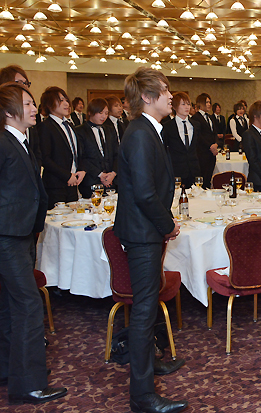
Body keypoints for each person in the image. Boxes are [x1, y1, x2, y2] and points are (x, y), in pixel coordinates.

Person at [0, 82, 66, 405]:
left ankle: (8, 371)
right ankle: (28, 385)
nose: (35, 109)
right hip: (5, 236)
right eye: (28, 104)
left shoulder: (22, 142)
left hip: (21, 234)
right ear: (9, 112)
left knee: (11, 304)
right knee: (29, 304)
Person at [113, 68, 187, 413]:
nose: (171, 96)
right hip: (143, 233)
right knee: (143, 310)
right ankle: (142, 396)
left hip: (146, 230)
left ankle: (151, 363)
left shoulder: (149, 130)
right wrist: (167, 224)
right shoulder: (141, 134)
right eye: (165, 90)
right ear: (146, 97)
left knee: (149, 302)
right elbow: (144, 193)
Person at [38, 87, 85, 209]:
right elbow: (45, 158)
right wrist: (67, 176)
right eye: (61, 100)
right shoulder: (45, 127)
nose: (66, 104)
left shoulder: (69, 125)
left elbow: (77, 152)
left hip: (73, 184)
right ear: (49, 104)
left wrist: (81, 170)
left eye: (66, 100)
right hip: (56, 186)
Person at [74, 98, 117, 198]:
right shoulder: (80, 131)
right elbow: (82, 157)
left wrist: (113, 173)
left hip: (111, 182)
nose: (104, 116)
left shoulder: (110, 130)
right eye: (100, 113)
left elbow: (117, 153)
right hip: (91, 181)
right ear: (90, 112)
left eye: (106, 113)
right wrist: (100, 174)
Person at [164, 92, 202, 188]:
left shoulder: (196, 125)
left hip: (194, 170)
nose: (187, 107)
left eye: (188, 104)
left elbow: (197, 147)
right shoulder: (167, 126)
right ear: (175, 107)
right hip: (176, 171)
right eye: (183, 104)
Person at [191, 93, 218, 187]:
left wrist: (216, 144)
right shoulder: (196, 117)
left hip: (211, 154)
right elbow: (198, 136)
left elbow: (214, 133)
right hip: (202, 153)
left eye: (209, 102)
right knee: (202, 178)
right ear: (200, 103)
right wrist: (210, 146)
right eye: (206, 102)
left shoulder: (210, 117)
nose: (209, 104)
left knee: (208, 178)